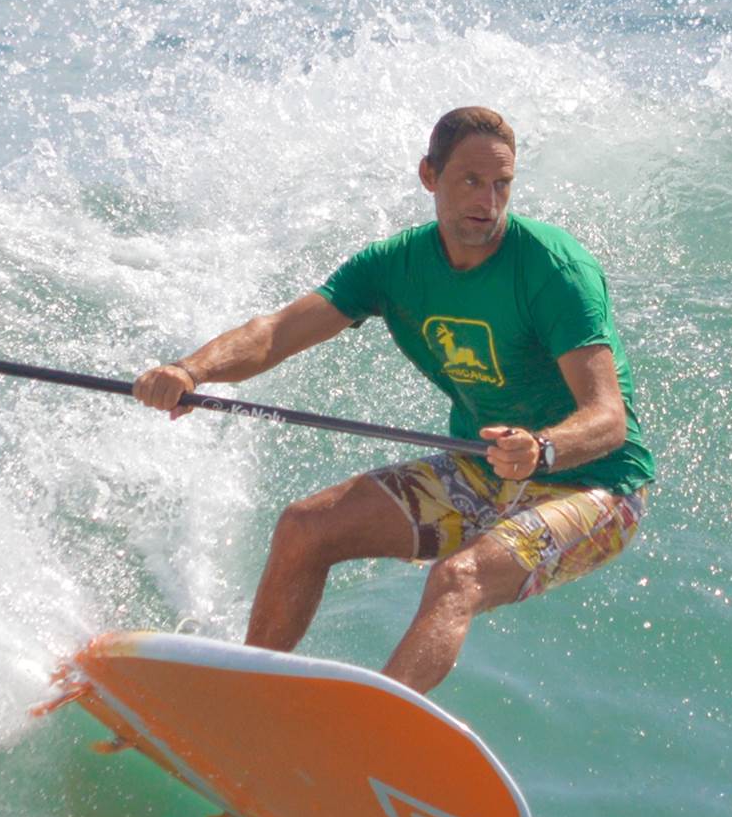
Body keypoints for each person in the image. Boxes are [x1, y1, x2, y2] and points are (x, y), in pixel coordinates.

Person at [130, 105, 655, 694]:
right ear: (429, 176)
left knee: (458, 578)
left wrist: (542, 447)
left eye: (501, 184)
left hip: (596, 486)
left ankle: (365, 731)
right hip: (483, 470)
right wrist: (189, 370)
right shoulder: (394, 266)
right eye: (470, 181)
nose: (487, 201)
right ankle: (242, 699)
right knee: (306, 527)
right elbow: (276, 333)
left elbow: (608, 419)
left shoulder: (554, 268)